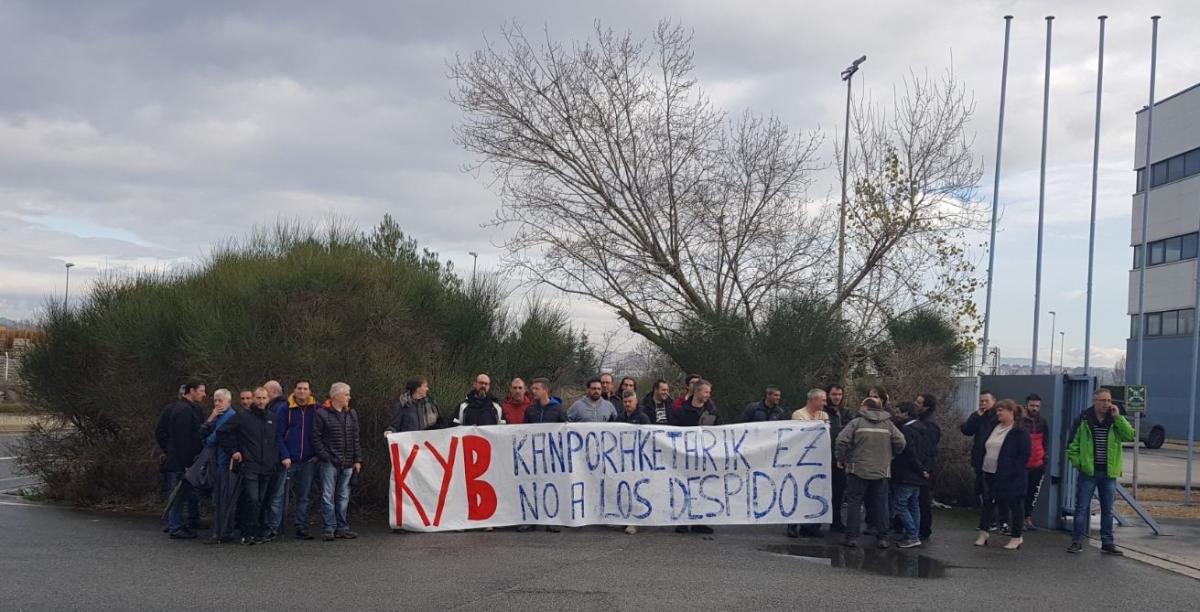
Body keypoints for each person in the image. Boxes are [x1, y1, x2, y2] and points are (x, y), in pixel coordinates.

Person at [1067, 388, 1136, 555]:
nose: (1107, 404)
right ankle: (1077, 541)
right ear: (1095, 401)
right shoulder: (1084, 419)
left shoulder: (1114, 420)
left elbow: (1130, 435)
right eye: (1103, 400)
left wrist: (1118, 417)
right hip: (1089, 472)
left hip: (1108, 473)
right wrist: (1080, 464)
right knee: (1082, 507)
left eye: (1109, 400)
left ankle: (1107, 542)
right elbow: (1072, 445)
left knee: (1108, 509)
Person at [835, 397, 904, 549]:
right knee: (881, 504)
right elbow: (901, 442)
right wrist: (891, 455)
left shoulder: (856, 423)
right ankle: (883, 537)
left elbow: (841, 441)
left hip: (857, 469)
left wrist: (841, 458)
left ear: (866, 407)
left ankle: (852, 537)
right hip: (881, 471)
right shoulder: (888, 424)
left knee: (854, 503)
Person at [219, 386, 280, 545]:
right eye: (258, 398)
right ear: (253, 399)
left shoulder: (272, 418)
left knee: (261, 500)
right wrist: (233, 451)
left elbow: (275, 441)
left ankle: (257, 532)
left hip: (267, 466)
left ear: (268, 399)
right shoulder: (243, 416)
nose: (261, 401)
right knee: (252, 499)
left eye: (264, 398)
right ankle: (247, 533)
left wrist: (274, 458)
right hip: (250, 465)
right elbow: (223, 432)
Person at [266, 379, 319, 541]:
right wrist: (285, 455)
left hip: (308, 460)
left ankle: (301, 527)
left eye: (305, 389)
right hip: (289, 459)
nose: (302, 391)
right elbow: (279, 435)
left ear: (310, 391)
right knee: (279, 495)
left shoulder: (316, 409)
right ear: (294, 390)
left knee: (304, 496)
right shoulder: (285, 409)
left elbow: (319, 433)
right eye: (299, 388)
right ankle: (274, 528)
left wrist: (316, 453)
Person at [975, 399, 1031, 550]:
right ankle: (983, 533)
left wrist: (1012, 472)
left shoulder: (1020, 431)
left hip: (1011, 476)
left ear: (1011, 412)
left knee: (1015, 505)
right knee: (987, 503)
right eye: (997, 410)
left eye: (1001, 410)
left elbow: (1024, 455)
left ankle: (1016, 536)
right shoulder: (993, 427)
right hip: (989, 472)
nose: (998, 413)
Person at [155, 379, 207, 539]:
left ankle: (182, 522)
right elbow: (183, 440)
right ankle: (175, 526)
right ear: (191, 391)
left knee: (184, 494)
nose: (204, 394)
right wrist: (186, 463)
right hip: (180, 462)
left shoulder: (190, 409)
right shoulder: (183, 410)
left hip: (179, 459)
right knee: (176, 494)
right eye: (201, 391)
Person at [313, 382, 363, 542]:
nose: (349, 397)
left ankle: (342, 526)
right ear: (336, 396)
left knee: (343, 495)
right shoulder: (322, 413)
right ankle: (329, 527)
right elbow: (316, 438)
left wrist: (357, 459)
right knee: (328, 494)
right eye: (346, 394)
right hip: (329, 461)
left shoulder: (351, 414)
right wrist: (326, 456)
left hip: (348, 461)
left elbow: (355, 438)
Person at [670, 379, 719, 534]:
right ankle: (683, 521)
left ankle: (700, 521)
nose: (708, 395)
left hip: (705, 456)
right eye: (706, 392)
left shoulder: (713, 411)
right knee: (684, 487)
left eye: (709, 393)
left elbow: (720, 431)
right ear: (697, 392)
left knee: (703, 487)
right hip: (685, 456)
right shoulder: (681, 411)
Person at [517, 378, 566, 533]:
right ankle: (531, 519)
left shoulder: (558, 409)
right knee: (532, 486)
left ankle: (552, 519)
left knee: (551, 488)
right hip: (533, 455)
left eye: (536, 388)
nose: (533, 391)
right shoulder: (530, 410)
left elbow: (566, 430)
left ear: (545, 390)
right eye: (532, 388)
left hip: (551, 456)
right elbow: (524, 431)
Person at [787, 389, 830, 537]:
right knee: (797, 492)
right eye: (822, 400)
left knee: (814, 492)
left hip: (817, 460)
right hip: (800, 460)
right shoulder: (799, 415)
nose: (825, 403)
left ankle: (812, 525)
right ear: (813, 400)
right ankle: (792, 524)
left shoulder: (823, 415)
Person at [200, 389, 238, 544]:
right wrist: (211, 417)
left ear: (228, 402)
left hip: (225, 464)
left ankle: (221, 532)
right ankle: (222, 531)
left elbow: (212, 439)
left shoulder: (229, 417)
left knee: (223, 499)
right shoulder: (219, 416)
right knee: (219, 499)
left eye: (220, 400)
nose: (216, 404)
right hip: (218, 463)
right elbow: (203, 432)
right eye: (215, 400)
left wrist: (209, 435)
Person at [889, 401, 929, 549]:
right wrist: (924, 470)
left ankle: (912, 534)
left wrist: (919, 469)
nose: (896, 415)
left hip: (907, 473)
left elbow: (909, 452)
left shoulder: (906, 430)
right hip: (918, 475)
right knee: (914, 505)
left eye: (899, 412)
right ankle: (914, 533)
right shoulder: (923, 427)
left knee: (900, 504)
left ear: (907, 414)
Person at [961, 390, 998, 526]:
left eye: (986, 401)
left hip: (993, 459)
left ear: (993, 401)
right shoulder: (978, 416)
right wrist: (976, 417)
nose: (983, 404)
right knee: (980, 490)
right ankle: (987, 519)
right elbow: (966, 430)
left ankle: (991, 520)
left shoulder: (997, 417)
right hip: (979, 459)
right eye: (981, 401)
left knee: (990, 491)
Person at [824, 384, 851, 533]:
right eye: (834, 394)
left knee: (839, 492)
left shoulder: (845, 413)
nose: (837, 397)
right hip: (823, 458)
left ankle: (836, 521)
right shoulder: (822, 413)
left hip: (839, 459)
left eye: (839, 394)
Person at [914, 393, 941, 541]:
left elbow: (928, 449)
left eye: (919, 403)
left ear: (926, 406)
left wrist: (924, 469)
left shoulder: (929, 424)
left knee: (923, 499)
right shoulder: (924, 420)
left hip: (923, 467)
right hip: (922, 466)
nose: (915, 404)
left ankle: (924, 529)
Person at [1022, 393, 1050, 532]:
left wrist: (1044, 459)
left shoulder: (1043, 422)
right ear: (1026, 405)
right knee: (1020, 493)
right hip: (1023, 465)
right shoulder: (1020, 422)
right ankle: (1019, 519)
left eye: (1037, 406)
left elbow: (1046, 441)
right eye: (1032, 405)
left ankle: (1027, 518)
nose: (1034, 408)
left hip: (1038, 465)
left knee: (1032, 493)